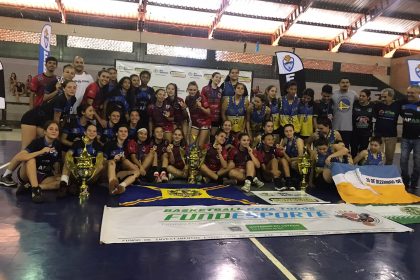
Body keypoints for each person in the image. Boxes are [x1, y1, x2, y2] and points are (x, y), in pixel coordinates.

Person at [1, 121, 62, 203]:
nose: (54, 131)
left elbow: (57, 162)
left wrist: (57, 174)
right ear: (45, 132)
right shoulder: (37, 142)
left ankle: (34, 187)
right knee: (31, 159)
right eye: (51, 129)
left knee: (62, 182)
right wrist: (41, 152)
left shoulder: (57, 145)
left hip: (43, 175)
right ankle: (35, 192)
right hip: (27, 173)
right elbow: (19, 156)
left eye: (56, 130)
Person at [20, 80, 76, 149]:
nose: (72, 89)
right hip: (31, 119)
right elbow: (56, 120)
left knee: (49, 143)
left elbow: (65, 115)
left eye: (74, 87)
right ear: (64, 89)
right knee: (27, 147)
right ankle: (19, 159)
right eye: (69, 87)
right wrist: (58, 134)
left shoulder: (73, 99)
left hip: (43, 121)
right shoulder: (60, 99)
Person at [58, 123, 104, 197]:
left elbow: (100, 158)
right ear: (85, 132)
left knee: (101, 165)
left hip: (90, 174)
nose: (92, 133)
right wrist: (72, 164)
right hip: (76, 171)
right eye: (89, 131)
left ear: (96, 134)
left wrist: (91, 170)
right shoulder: (77, 143)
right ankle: (63, 185)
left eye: (94, 131)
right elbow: (69, 154)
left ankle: (83, 184)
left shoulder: (98, 146)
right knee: (67, 160)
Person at [103, 124, 140, 195]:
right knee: (111, 162)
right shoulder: (109, 144)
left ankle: (121, 186)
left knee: (136, 170)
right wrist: (114, 159)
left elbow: (129, 163)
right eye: (121, 131)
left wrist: (123, 159)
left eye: (125, 131)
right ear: (117, 133)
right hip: (108, 172)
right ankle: (112, 186)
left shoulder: (128, 145)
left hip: (120, 173)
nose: (123, 133)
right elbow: (103, 162)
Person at [399, 85, 420, 189]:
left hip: (419, 139)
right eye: (408, 92)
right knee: (403, 160)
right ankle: (405, 181)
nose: (409, 94)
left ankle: (414, 182)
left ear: (418, 93)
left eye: (412, 93)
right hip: (405, 138)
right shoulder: (402, 102)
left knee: (418, 162)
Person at [373, 88, 400, 165]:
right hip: (379, 135)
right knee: (378, 157)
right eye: (382, 97)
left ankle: (387, 174)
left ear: (391, 97)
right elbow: (374, 116)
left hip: (391, 136)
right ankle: (378, 174)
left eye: (385, 97)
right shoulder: (377, 105)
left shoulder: (397, 106)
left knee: (390, 157)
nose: (383, 99)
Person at [331, 77, 357, 148]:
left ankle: (346, 159)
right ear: (339, 84)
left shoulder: (354, 94)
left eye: (347, 82)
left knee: (345, 147)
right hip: (335, 126)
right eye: (343, 82)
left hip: (348, 127)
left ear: (349, 84)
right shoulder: (333, 93)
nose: (345, 84)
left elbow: (362, 102)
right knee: (334, 147)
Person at [185, 81, 211, 147]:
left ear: (197, 90)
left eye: (194, 90)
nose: (192, 91)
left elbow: (209, 112)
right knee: (191, 144)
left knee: (200, 145)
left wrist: (201, 107)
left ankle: (200, 157)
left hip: (204, 123)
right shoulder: (187, 98)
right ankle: (192, 157)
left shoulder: (201, 97)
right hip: (195, 124)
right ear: (187, 89)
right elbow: (186, 108)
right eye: (190, 90)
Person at [351, 89, 374, 158]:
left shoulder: (373, 106)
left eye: (363, 96)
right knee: (353, 152)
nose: (361, 97)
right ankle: (352, 167)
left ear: (368, 97)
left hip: (365, 134)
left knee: (363, 152)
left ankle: (361, 167)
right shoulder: (355, 103)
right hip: (354, 133)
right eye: (360, 95)